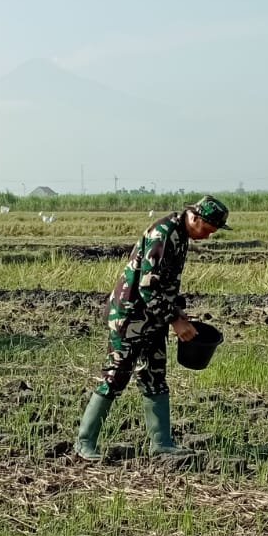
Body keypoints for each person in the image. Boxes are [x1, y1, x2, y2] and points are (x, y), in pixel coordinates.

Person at [73, 195, 232, 461]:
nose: (208, 235)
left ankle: (162, 444)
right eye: (207, 229)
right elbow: (148, 286)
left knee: (154, 376)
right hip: (130, 317)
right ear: (195, 217)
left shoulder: (181, 235)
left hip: (152, 318)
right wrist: (175, 320)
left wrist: (176, 311)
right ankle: (84, 442)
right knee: (115, 376)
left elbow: (165, 284)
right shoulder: (164, 233)